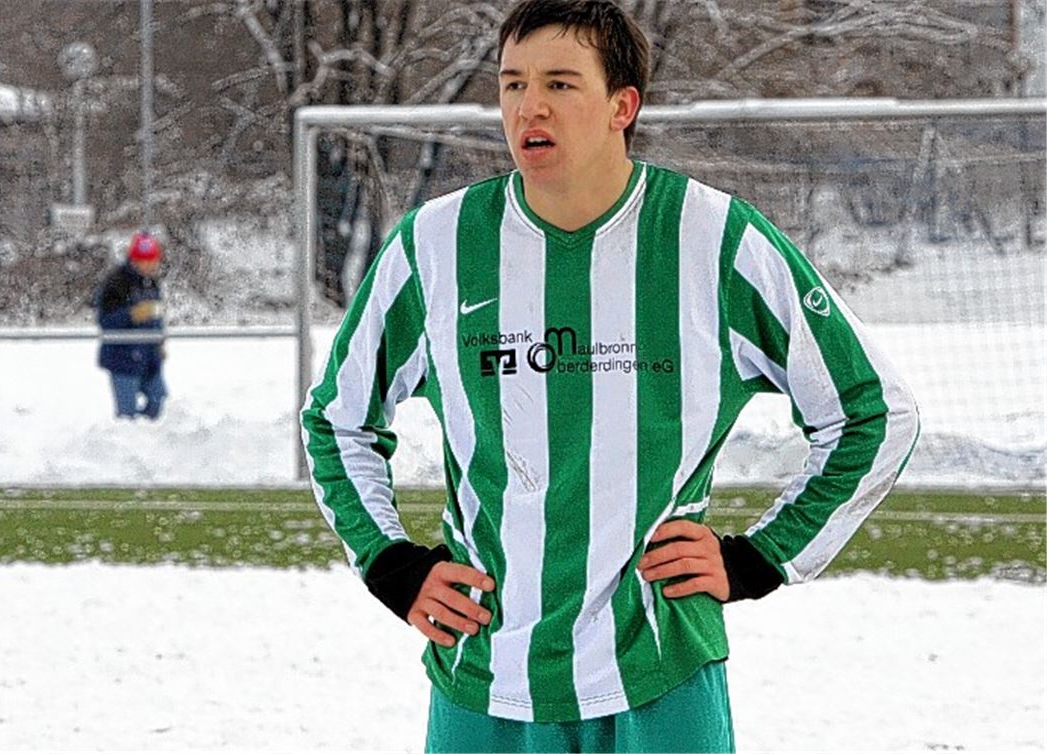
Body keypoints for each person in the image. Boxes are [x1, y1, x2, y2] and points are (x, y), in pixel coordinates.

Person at [300, 1, 920, 751]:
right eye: (512, 84)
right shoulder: (435, 246)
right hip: (486, 668)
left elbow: (873, 413)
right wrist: (391, 563)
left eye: (561, 84)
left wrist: (760, 557)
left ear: (622, 105)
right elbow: (337, 421)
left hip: (660, 671)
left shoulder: (714, 240)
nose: (530, 106)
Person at [93, 231, 167, 420]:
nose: (151, 265)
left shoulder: (152, 284)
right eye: (145, 261)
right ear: (134, 260)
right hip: (123, 358)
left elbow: (157, 316)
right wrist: (131, 314)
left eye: (153, 260)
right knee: (127, 413)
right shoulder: (117, 283)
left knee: (157, 397)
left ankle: (149, 440)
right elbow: (105, 321)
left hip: (150, 357)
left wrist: (160, 342)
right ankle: (124, 444)